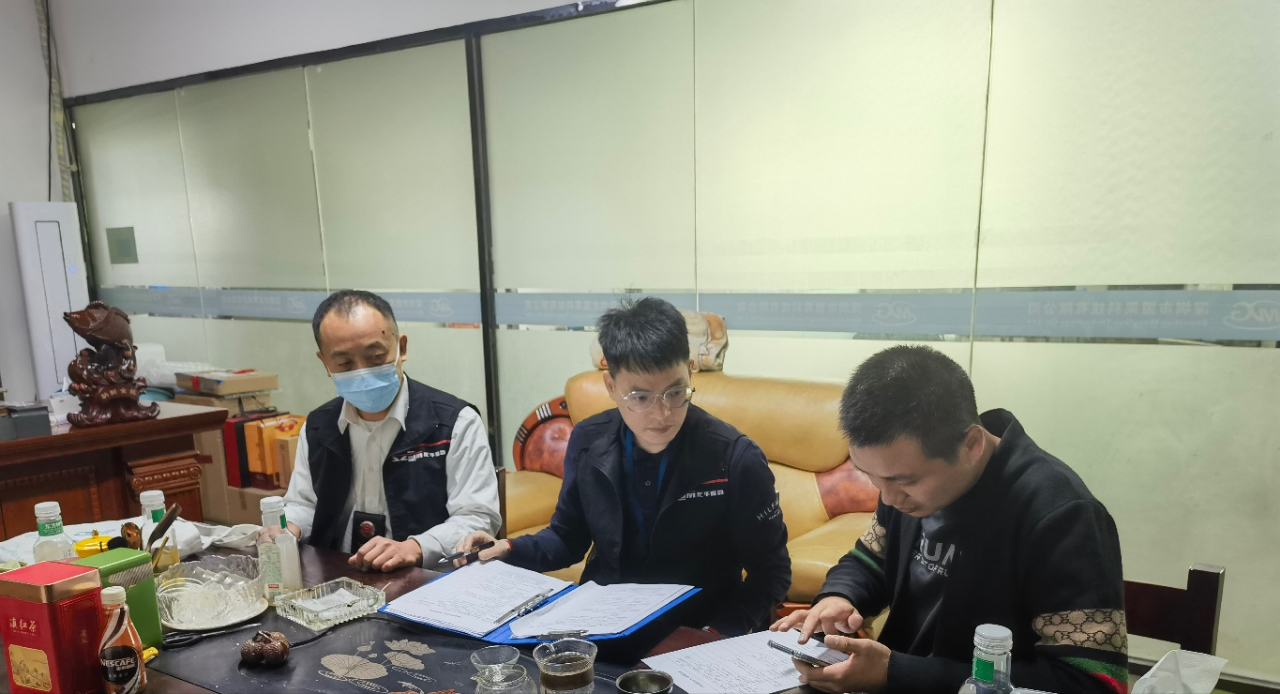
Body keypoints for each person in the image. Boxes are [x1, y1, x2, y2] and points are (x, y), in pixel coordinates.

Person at [771, 345, 1127, 694]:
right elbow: (870, 560)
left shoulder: (1062, 517)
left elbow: (1093, 683)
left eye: (904, 481)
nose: (888, 498)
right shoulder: (901, 483)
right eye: (870, 475)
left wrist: (896, 673)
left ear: (971, 445)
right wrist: (839, 598)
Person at [454, 297, 790, 635]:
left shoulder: (734, 458)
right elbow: (567, 538)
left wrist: (716, 635)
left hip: (694, 628)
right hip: (603, 623)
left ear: (689, 371)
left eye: (675, 393)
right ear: (611, 387)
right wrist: (508, 548)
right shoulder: (588, 440)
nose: (661, 414)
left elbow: (771, 572)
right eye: (640, 398)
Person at [264, 290, 501, 571]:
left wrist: (415, 547)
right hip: (338, 575)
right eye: (344, 363)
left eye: (376, 357)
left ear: (402, 347)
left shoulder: (454, 423)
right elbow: (305, 504)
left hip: (426, 578)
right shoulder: (318, 427)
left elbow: (476, 517)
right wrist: (288, 527)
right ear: (325, 363)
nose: (362, 372)